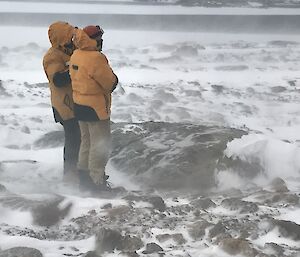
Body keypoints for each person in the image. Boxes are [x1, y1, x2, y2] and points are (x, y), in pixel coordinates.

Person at [69, 25, 118, 192]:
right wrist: (115, 79)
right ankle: (97, 182)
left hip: (79, 104)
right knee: (100, 145)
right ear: (93, 40)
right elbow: (109, 83)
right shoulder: (96, 58)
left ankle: (84, 178)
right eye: (99, 38)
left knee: (86, 142)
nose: (101, 41)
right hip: (96, 108)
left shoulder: (76, 54)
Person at [43, 21, 81, 184]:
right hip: (63, 105)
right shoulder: (52, 56)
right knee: (73, 139)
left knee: (80, 139)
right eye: (69, 36)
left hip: (76, 103)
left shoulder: (70, 51)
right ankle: (70, 175)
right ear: (61, 38)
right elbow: (57, 79)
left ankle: (79, 173)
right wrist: (75, 68)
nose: (73, 38)